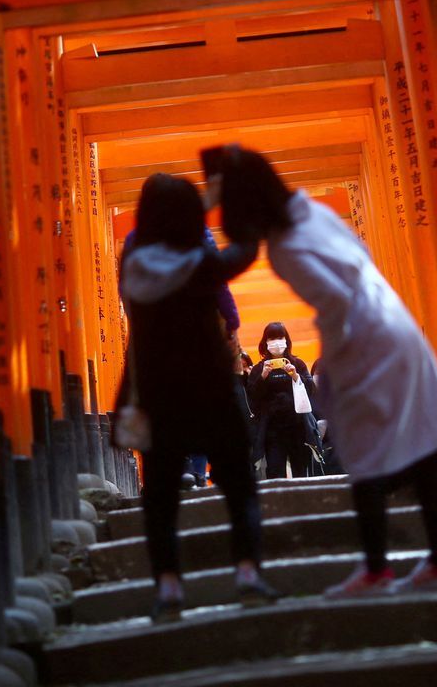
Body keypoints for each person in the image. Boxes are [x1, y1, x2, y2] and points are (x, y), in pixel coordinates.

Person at [215, 146, 437, 597]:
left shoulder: (285, 248)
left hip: (365, 341)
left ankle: (375, 569)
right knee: (423, 452)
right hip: (397, 322)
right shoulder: (314, 212)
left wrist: (331, 368)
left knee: (364, 456)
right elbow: (360, 258)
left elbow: (334, 301)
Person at [116, 173, 277, 621]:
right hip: (209, 383)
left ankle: (168, 589)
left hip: (155, 387)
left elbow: (130, 304)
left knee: (162, 493)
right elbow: (242, 253)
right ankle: (247, 574)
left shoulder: (133, 254)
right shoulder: (197, 257)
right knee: (238, 483)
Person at [119, 225, 240, 490]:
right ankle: (196, 473)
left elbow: (126, 287)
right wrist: (231, 320)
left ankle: (177, 471)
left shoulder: (136, 238)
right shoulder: (198, 233)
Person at [247, 322, 318, 480]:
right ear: (266, 342)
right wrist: (263, 377)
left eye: (280, 337)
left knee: (301, 473)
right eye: (272, 338)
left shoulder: (297, 364)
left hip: (297, 427)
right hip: (272, 431)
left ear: (286, 340)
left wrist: (295, 376)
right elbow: (252, 397)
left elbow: (311, 390)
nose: (276, 342)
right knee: (274, 473)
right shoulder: (259, 369)